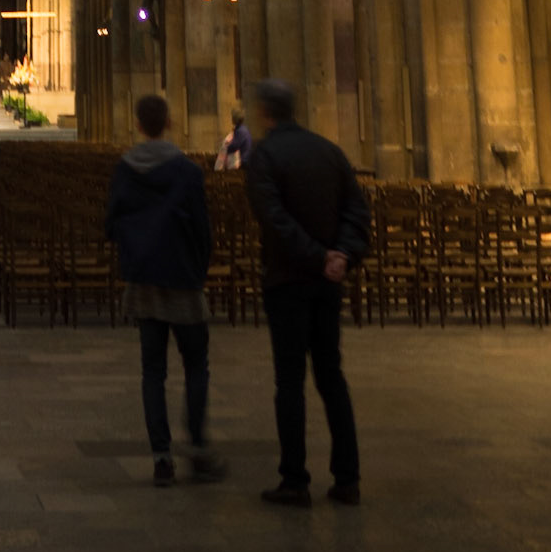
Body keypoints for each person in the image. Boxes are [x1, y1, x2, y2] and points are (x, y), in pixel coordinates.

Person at [243, 79, 369, 508]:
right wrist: (342, 256)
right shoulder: (329, 151)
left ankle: (295, 479)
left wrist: (317, 257)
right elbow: (357, 209)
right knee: (331, 375)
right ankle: (348, 479)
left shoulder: (265, 156)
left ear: (264, 112)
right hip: (327, 282)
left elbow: (273, 219)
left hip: (288, 280)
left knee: (290, 380)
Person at [105, 92, 227, 488]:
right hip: (183, 282)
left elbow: (111, 225)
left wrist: (134, 248)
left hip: (143, 281)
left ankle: (162, 457)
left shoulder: (125, 171)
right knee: (196, 367)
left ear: (139, 125)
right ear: (169, 122)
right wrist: (196, 269)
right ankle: (198, 449)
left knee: (153, 372)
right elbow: (203, 232)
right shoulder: (188, 172)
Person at [214, 104, 252, 171]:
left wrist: (225, 146)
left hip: (243, 162)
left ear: (235, 118)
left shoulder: (241, 131)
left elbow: (234, 146)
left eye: (232, 117)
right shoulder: (241, 129)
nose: (231, 119)